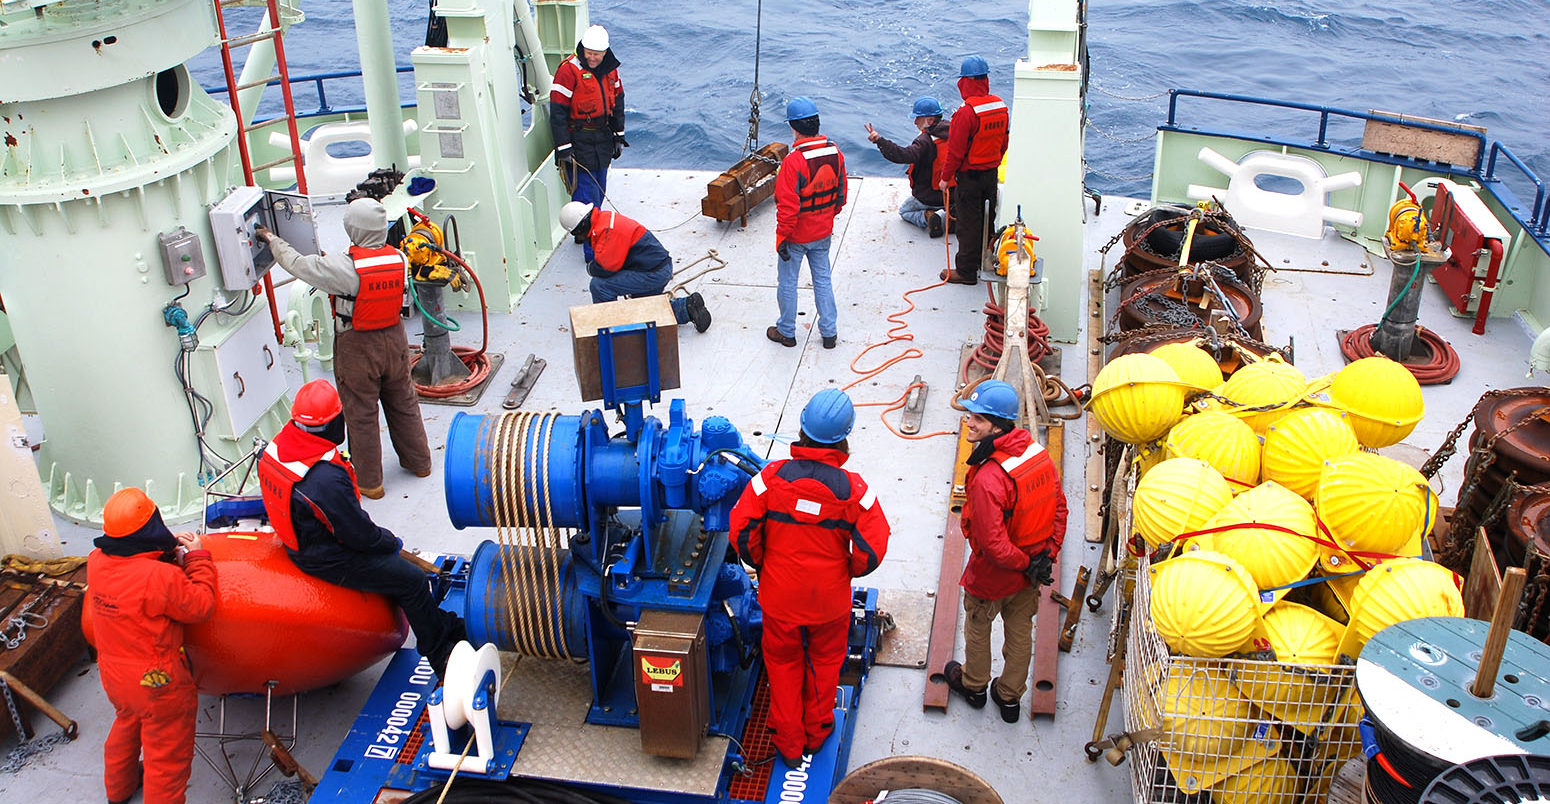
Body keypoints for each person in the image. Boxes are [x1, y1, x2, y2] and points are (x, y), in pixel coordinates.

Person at [257, 379, 466, 677]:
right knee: (411, 581)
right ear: (335, 421)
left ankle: (438, 620)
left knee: (396, 572)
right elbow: (360, 536)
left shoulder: (276, 448)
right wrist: (391, 544)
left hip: (302, 539)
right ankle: (440, 652)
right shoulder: (324, 479)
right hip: (325, 557)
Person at [729, 389, 889, 766]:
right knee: (825, 661)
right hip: (828, 604)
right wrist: (845, 572)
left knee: (782, 665)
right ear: (845, 436)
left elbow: (741, 532)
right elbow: (872, 549)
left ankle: (787, 742)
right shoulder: (855, 490)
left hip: (779, 600)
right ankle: (817, 732)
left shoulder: (769, 480)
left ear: (800, 430)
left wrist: (764, 565)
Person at [256, 198, 431, 499]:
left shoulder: (343, 268)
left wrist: (271, 239)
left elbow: (298, 265)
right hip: (396, 341)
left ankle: (370, 483)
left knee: (361, 414)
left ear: (352, 228)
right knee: (404, 402)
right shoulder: (400, 258)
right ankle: (420, 463)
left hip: (359, 348)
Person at [942, 380, 1067, 724]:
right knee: (1020, 631)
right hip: (1031, 570)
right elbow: (1060, 508)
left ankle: (975, 686)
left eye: (977, 418)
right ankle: (1009, 698)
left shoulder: (988, 478)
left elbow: (994, 545)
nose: (968, 422)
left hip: (995, 575)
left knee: (979, 626)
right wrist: (1045, 557)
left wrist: (1027, 562)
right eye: (969, 415)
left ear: (998, 427)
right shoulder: (1037, 454)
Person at [88, 487, 217, 804]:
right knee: (166, 756)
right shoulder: (159, 577)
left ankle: (118, 791)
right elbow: (200, 606)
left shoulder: (95, 561)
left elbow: (130, 581)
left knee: (126, 726)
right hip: (158, 682)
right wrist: (198, 558)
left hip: (115, 675)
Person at [558, 200, 712, 332]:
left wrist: (590, 268)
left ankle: (608, 326)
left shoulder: (605, 231)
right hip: (654, 268)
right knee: (641, 310)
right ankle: (687, 307)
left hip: (653, 273)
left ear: (580, 228)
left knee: (599, 286)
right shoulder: (603, 220)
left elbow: (606, 268)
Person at [770, 97, 848, 350]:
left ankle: (786, 332)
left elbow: (787, 207)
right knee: (823, 280)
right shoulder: (835, 152)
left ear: (793, 127)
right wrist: (826, 217)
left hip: (796, 236)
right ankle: (829, 334)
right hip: (823, 231)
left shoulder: (793, 162)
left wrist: (782, 237)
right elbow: (841, 195)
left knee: (788, 283)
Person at [937, 55, 1010, 285]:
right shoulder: (1001, 106)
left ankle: (967, 272)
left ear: (965, 82)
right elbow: (1004, 142)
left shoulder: (966, 113)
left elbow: (955, 152)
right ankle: (985, 260)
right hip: (991, 175)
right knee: (988, 219)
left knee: (969, 224)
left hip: (969, 178)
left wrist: (945, 178)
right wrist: (994, 160)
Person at [550, 24, 626, 215]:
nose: (592, 58)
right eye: (588, 53)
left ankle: (591, 230)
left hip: (603, 139)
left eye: (596, 54)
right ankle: (588, 236)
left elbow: (617, 102)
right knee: (586, 195)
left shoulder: (611, 70)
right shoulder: (568, 71)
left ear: (605, 52)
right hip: (579, 141)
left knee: (599, 188)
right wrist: (563, 148)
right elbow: (558, 112)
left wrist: (618, 136)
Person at [865, 96, 952, 237]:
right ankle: (951, 214)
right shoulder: (955, 132)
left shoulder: (924, 141)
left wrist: (879, 141)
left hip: (930, 197)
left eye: (918, 118)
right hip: (953, 194)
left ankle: (929, 217)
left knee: (905, 211)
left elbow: (903, 155)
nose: (915, 121)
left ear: (930, 120)